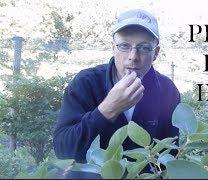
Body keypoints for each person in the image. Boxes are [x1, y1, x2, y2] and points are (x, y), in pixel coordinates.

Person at [53, 9, 180, 177]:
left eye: (144, 47)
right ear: (113, 47)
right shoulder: (86, 83)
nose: (133, 56)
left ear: (155, 53)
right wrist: (107, 110)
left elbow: (168, 155)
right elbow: (64, 150)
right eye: (124, 46)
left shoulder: (167, 91)